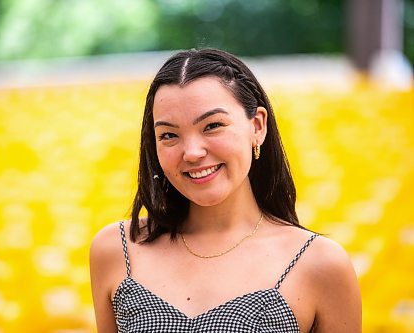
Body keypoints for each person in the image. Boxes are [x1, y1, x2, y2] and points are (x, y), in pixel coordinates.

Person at [90, 48, 361, 332]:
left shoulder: (319, 264)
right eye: (169, 135)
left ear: (257, 126)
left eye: (213, 126)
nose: (192, 153)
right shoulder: (115, 250)